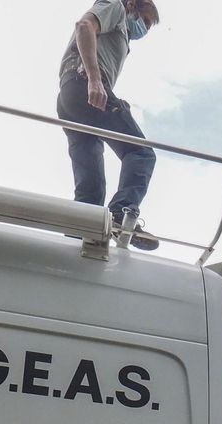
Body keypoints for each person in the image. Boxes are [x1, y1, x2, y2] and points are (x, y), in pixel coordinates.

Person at [56, 0, 162, 251]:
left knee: (90, 192)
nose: (144, 30)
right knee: (141, 153)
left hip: (72, 99)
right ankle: (121, 214)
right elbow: (84, 26)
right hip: (83, 84)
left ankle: (75, 244)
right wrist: (94, 80)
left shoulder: (121, 34)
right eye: (145, 22)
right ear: (133, 6)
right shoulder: (115, 7)